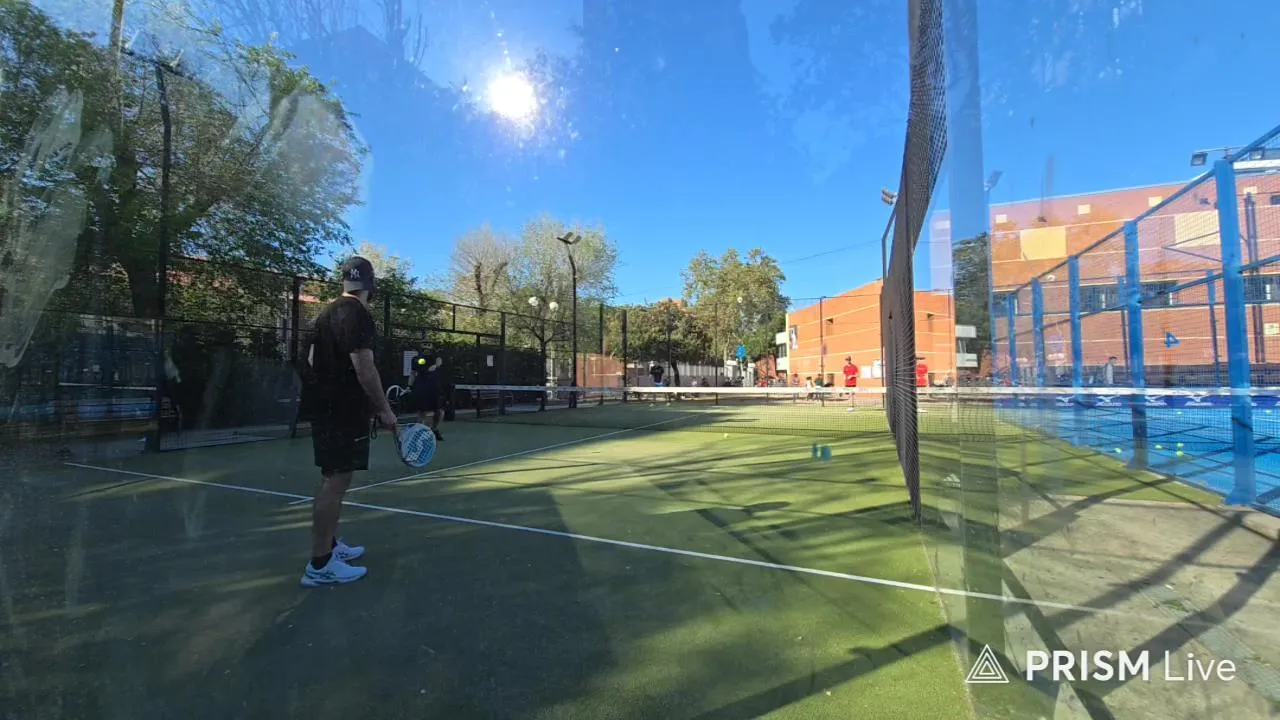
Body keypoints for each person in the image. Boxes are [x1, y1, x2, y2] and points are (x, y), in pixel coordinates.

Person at [300, 256, 397, 587]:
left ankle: (329, 546)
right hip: (341, 411)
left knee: (333, 478)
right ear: (371, 285)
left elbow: (308, 360)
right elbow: (364, 367)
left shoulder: (326, 313)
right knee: (335, 481)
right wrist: (384, 409)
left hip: (327, 408)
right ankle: (320, 564)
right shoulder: (357, 314)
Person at [408, 350, 445, 441]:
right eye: (424, 345)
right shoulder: (416, 359)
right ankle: (419, 433)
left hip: (435, 388)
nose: (426, 347)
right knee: (421, 412)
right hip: (421, 388)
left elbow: (439, 362)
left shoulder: (436, 357)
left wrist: (435, 365)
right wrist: (409, 386)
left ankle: (434, 429)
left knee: (440, 411)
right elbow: (413, 373)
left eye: (428, 345)